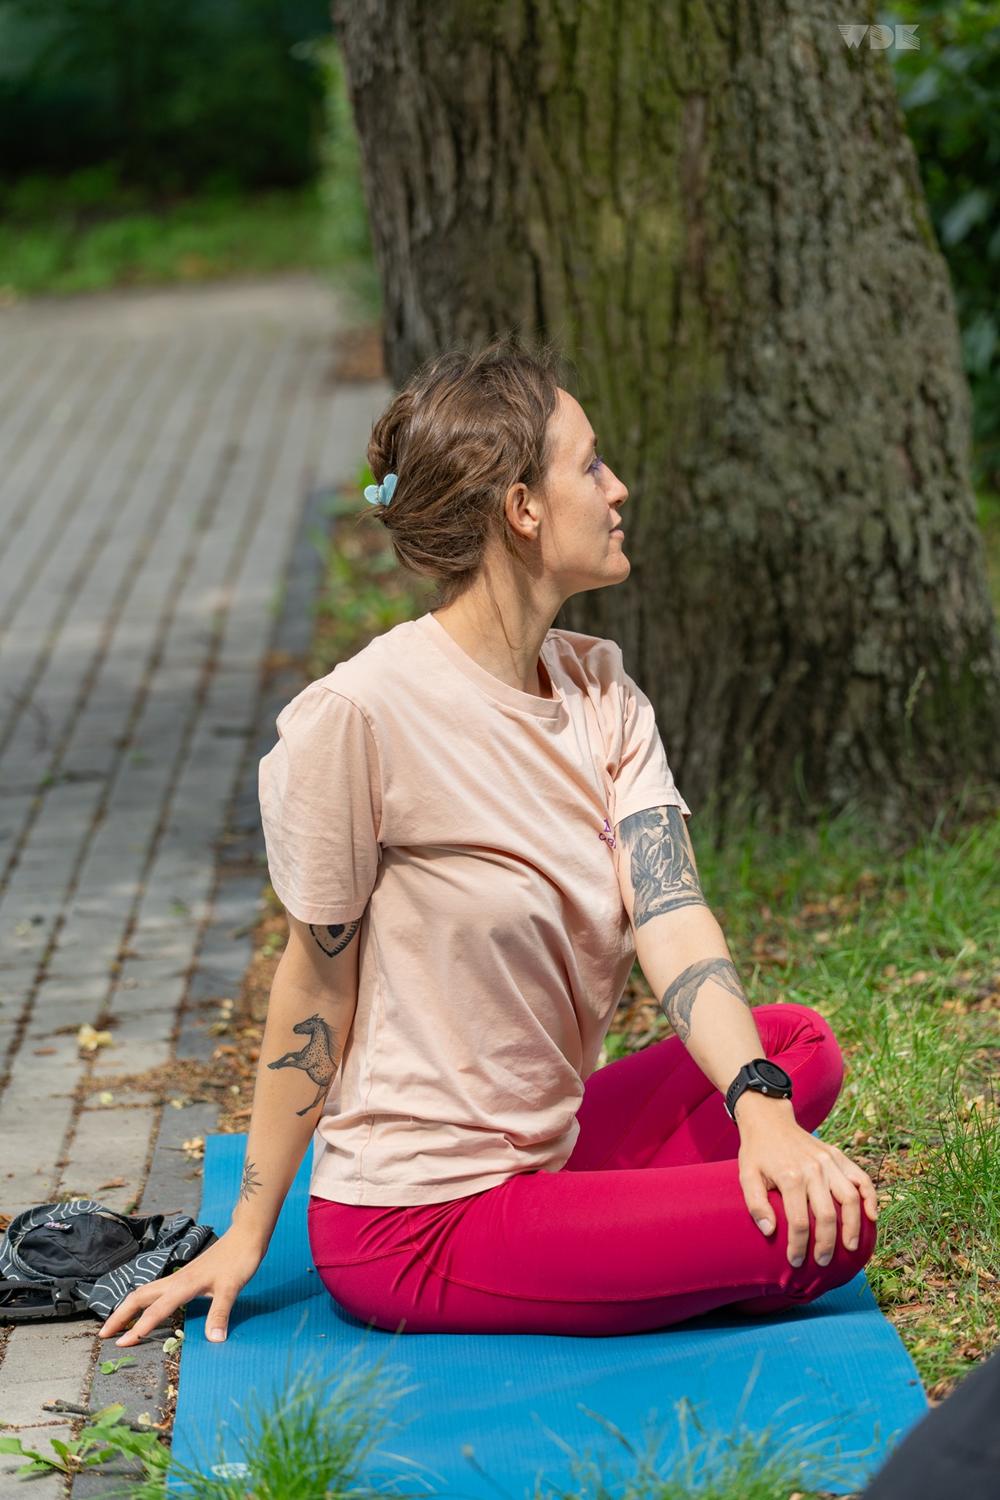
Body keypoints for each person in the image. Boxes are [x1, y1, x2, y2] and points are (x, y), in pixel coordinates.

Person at [98, 333, 878, 1349]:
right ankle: (610, 1244)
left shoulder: (600, 689)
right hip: (417, 1221)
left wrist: (759, 1107)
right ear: (522, 509)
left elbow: (671, 913)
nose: (618, 488)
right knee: (832, 1233)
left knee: (792, 1050)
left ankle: (607, 1228)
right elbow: (316, 986)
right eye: (590, 466)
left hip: (541, 1146)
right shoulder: (359, 717)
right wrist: (246, 1233)